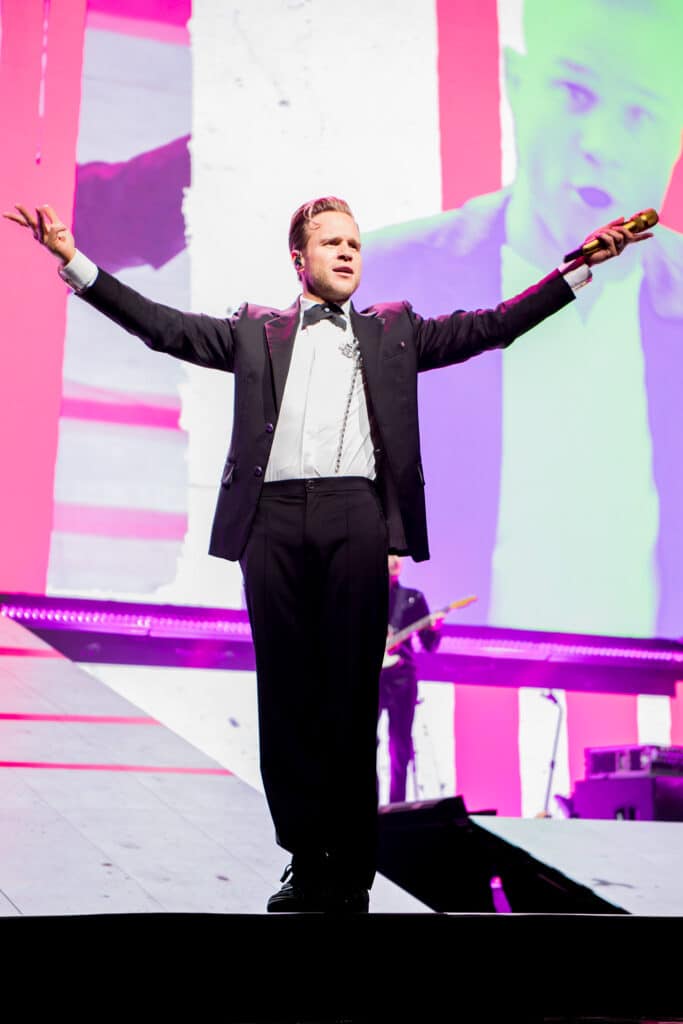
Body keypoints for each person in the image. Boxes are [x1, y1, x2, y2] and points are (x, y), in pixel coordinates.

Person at [4, 194, 645, 913]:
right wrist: (77, 263)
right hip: (270, 520)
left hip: (355, 515)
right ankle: (307, 861)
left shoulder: (395, 331)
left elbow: (490, 328)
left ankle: (351, 867)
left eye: (354, 244)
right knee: (286, 699)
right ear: (298, 258)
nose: (346, 253)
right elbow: (165, 330)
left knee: (347, 699)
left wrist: (573, 273)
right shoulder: (256, 331)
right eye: (331, 242)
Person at [355, 0, 683, 640]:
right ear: (516, 84)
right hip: (439, 705)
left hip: (654, 715)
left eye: (641, 113)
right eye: (575, 93)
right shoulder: (387, 284)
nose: (600, 145)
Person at [379, 555, 442, 804]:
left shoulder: (413, 598)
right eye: (389, 554)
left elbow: (429, 645)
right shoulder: (362, 595)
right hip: (370, 676)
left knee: (400, 745)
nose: (395, 560)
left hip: (402, 677)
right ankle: (363, 802)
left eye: (398, 555)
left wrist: (434, 629)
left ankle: (396, 804)